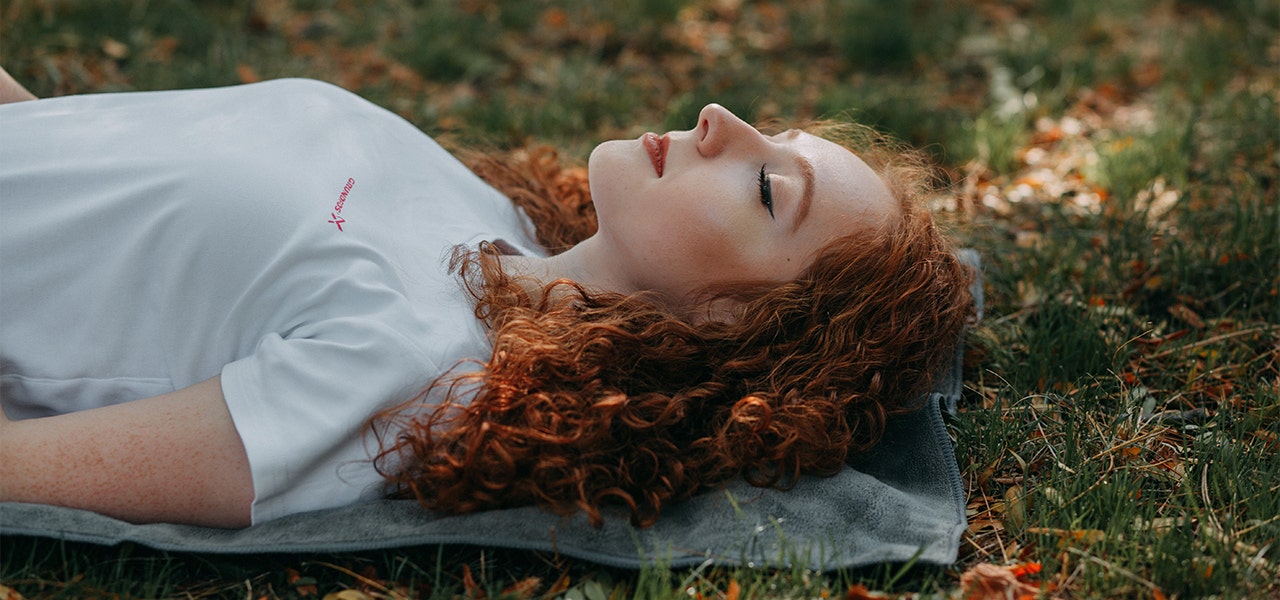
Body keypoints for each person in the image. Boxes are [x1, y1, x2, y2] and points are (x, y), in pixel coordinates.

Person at [0, 68, 973, 529]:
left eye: (767, 189)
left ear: (736, 325)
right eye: (775, 134)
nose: (722, 121)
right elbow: (91, 179)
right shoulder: (487, 216)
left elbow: (25, 464)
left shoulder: (416, 374)